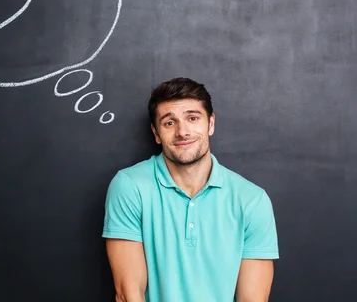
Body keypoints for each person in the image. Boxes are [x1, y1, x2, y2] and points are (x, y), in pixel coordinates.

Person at [102, 77, 279, 302]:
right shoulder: (129, 186)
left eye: (193, 118)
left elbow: (253, 299)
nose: (182, 132)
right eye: (169, 122)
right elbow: (128, 294)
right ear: (156, 133)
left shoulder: (252, 200)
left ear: (210, 124)